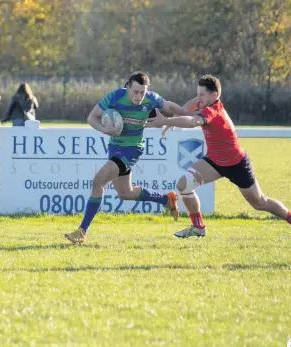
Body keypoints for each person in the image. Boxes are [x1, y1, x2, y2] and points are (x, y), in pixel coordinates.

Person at [146, 74, 291, 244]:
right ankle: (198, 227)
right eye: (198, 93)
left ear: (214, 95)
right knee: (184, 184)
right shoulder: (205, 101)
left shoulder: (213, 110)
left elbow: (193, 121)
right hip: (215, 162)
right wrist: (173, 120)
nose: (198, 98)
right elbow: (191, 105)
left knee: (260, 203)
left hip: (237, 164)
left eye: (202, 94)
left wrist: (165, 120)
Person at [64, 71, 200, 244]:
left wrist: (190, 115)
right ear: (127, 87)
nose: (139, 96)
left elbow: (170, 107)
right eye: (136, 92)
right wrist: (105, 130)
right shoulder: (115, 97)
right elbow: (92, 117)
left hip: (132, 149)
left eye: (142, 92)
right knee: (125, 193)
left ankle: (81, 232)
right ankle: (166, 199)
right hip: (115, 147)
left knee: (98, 180)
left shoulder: (151, 99)